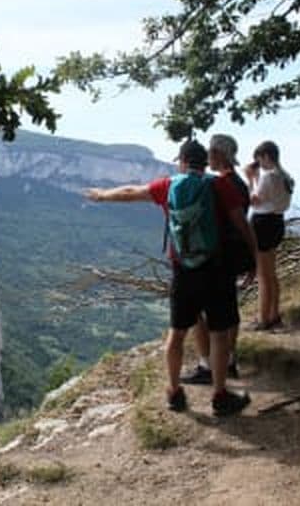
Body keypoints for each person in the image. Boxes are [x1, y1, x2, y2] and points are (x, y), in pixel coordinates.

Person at [85, 139, 255, 416]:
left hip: (183, 271)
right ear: (204, 162)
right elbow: (240, 223)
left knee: (176, 334)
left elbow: (131, 192)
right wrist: (253, 260)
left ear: (184, 161)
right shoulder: (220, 185)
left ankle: (174, 392)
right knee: (220, 334)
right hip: (216, 269)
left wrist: (102, 195)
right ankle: (220, 395)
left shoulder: (168, 185)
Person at [181, 134, 253, 386]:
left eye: (211, 152)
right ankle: (229, 361)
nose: (207, 157)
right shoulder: (240, 183)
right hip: (233, 255)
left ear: (220, 154)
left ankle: (207, 365)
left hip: (215, 257)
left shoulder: (218, 185)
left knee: (199, 312)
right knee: (229, 312)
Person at [243, 140, 294, 330]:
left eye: (259, 159)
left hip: (263, 225)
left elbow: (254, 201)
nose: (259, 164)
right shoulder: (286, 176)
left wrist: (251, 179)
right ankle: (274, 315)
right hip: (277, 222)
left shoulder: (268, 177)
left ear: (265, 156)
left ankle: (263, 319)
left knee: (263, 275)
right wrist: (257, 178)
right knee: (271, 273)